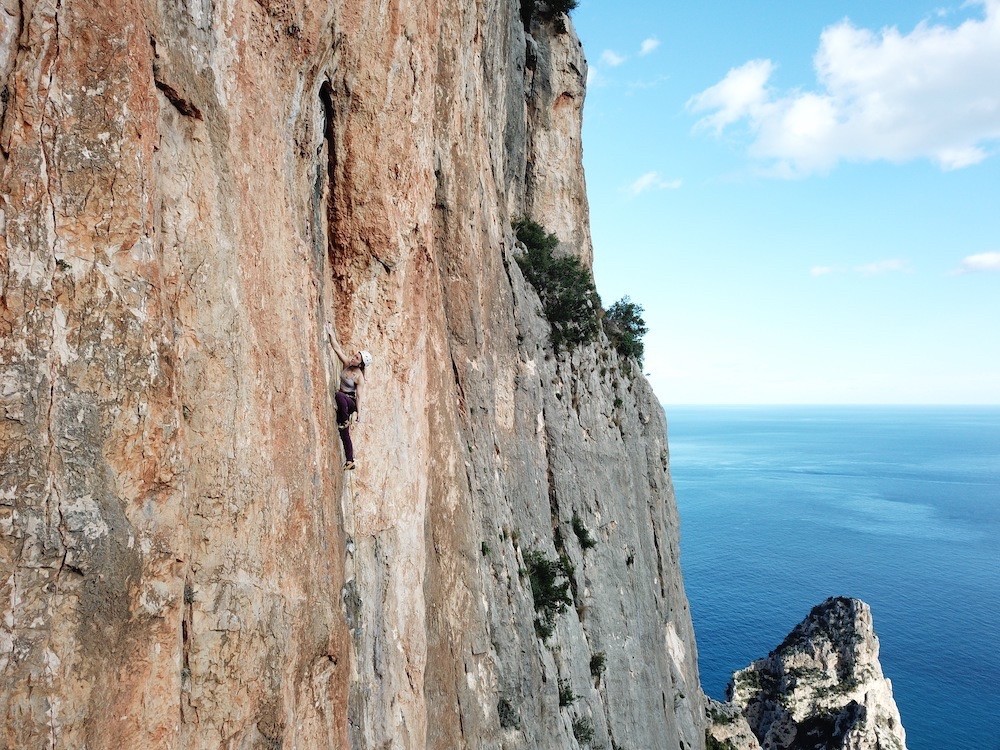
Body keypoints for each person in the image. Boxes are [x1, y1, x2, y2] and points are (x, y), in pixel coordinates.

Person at [325, 325, 373, 470]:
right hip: (342, 402)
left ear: (361, 364)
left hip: (349, 402)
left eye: (357, 358)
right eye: (355, 355)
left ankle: (345, 420)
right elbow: (337, 349)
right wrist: (331, 334)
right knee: (344, 433)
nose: (353, 357)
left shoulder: (359, 377)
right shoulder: (347, 364)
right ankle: (350, 461)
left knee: (339, 395)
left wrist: (359, 413)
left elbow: (359, 396)